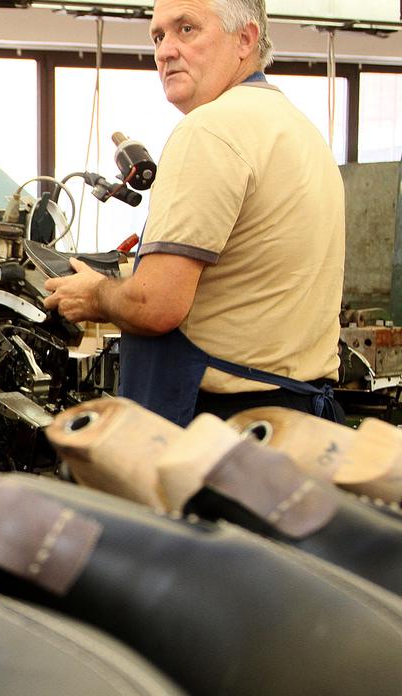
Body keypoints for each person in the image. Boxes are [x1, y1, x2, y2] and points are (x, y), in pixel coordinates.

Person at [44, 0, 345, 427]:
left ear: (245, 39)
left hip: (218, 428)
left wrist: (95, 294)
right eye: (158, 36)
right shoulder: (298, 129)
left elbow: (155, 304)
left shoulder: (209, 130)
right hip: (295, 422)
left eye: (186, 29)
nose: (165, 51)